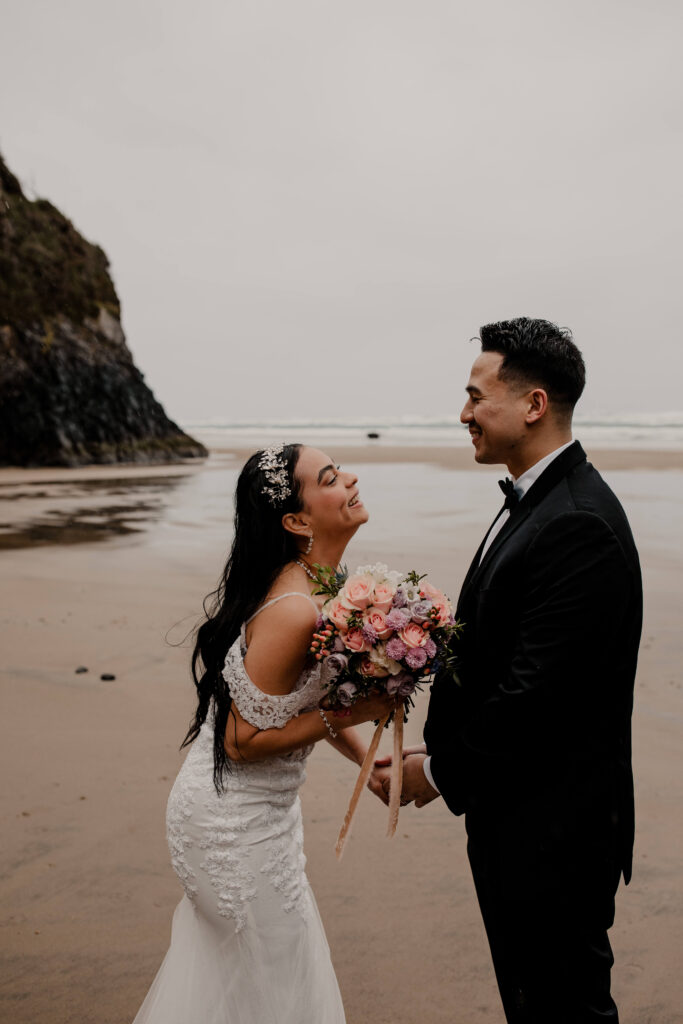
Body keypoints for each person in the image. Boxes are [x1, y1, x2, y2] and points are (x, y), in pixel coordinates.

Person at [371, 318, 642, 1023]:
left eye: (474, 396)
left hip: (555, 830)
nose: (462, 414)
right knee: (531, 1002)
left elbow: (537, 697)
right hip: (516, 814)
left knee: (562, 1008)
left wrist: (433, 775)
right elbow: (499, 662)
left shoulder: (576, 521)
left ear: (532, 404)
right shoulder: (539, 501)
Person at [133, 443, 394, 1024]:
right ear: (297, 521)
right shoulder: (293, 609)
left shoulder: (326, 587)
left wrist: (364, 759)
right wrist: (357, 711)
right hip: (230, 823)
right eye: (330, 478)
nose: (350, 477)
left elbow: (299, 700)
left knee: (254, 984)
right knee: (274, 981)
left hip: (264, 814)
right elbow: (240, 741)